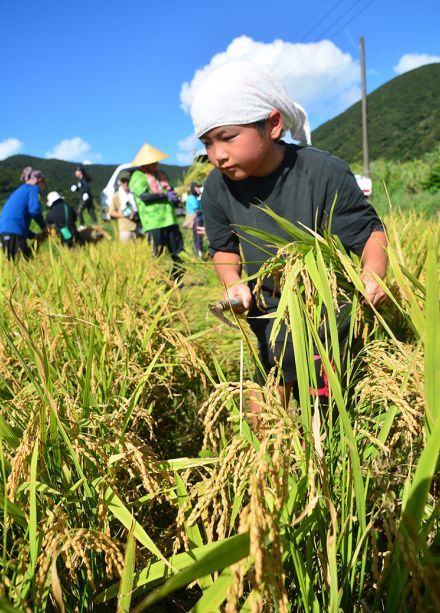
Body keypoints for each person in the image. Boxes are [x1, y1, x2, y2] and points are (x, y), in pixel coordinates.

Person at [190, 61, 388, 425]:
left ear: (273, 124)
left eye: (228, 137)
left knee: (327, 412)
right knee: (265, 413)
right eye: (208, 143)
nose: (217, 154)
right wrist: (233, 284)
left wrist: (374, 275)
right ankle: (269, 469)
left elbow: (370, 233)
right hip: (268, 317)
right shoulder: (217, 188)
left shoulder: (321, 173)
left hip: (327, 316)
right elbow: (224, 249)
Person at [129, 143, 184, 282]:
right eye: (153, 161)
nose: (156, 163)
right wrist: (165, 195)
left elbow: (169, 190)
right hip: (153, 222)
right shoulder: (138, 176)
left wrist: (174, 195)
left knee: (178, 252)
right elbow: (144, 196)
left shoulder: (161, 175)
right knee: (157, 254)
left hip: (170, 219)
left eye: (157, 161)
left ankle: (179, 280)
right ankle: (159, 282)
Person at [0, 166, 47, 260]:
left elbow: (18, 221)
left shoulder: (20, 190)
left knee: (21, 263)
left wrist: (33, 235)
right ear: (39, 180)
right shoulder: (33, 188)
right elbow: (34, 210)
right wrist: (44, 227)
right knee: (21, 265)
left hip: (6, 231)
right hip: (13, 232)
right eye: (44, 184)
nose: (43, 188)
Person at [109, 175, 139, 241]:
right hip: (125, 229)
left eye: (127, 181)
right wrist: (124, 215)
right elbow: (111, 213)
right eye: (123, 181)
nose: (126, 183)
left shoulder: (134, 195)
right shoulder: (116, 196)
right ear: (121, 183)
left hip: (136, 227)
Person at [186, 182, 204, 257]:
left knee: (199, 237)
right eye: (197, 187)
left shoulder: (196, 197)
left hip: (199, 219)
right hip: (196, 220)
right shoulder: (192, 198)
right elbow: (196, 210)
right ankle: (199, 254)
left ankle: (199, 252)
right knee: (198, 237)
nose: (199, 189)